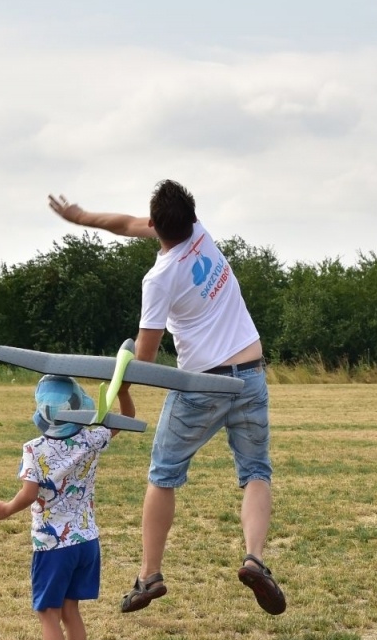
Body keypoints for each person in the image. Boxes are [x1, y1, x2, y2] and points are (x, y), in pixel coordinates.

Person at [48, 182, 286, 616]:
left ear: (158, 225)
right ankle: (254, 558)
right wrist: (84, 218)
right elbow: (127, 224)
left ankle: (149, 575)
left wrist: (124, 385)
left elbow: (147, 355)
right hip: (251, 374)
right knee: (256, 471)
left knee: (163, 475)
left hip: (202, 384)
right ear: (191, 215)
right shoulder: (200, 234)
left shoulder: (158, 278)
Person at [0, 376, 135, 640]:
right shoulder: (90, 439)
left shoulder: (34, 449)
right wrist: (123, 392)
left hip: (53, 546)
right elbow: (123, 422)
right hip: (87, 541)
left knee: (48, 614)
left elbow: (28, 494)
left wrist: (7, 508)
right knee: (71, 611)